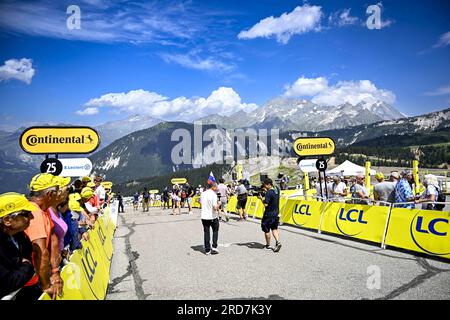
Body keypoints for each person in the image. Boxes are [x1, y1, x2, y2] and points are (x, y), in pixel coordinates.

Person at [22, 173, 64, 300]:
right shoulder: (35, 214)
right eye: (57, 191)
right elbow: (41, 252)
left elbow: (53, 239)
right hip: (32, 281)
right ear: (49, 195)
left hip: (38, 275)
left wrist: (55, 271)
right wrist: (46, 286)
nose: (60, 193)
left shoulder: (43, 211)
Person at [0, 193, 36, 299]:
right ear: (7, 220)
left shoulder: (19, 235)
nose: (32, 217)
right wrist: (27, 266)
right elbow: (7, 283)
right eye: (26, 214)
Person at [259, 178, 282, 252]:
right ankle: (278, 242)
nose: (264, 187)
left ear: (268, 184)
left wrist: (261, 199)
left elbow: (266, 204)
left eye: (265, 185)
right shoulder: (277, 190)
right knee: (274, 228)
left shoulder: (269, 192)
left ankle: (268, 245)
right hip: (276, 213)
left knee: (266, 230)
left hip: (268, 214)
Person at [199, 183, 220, 255]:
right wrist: (219, 204)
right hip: (212, 216)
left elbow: (200, 202)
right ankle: (214, 246)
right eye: (216, 187)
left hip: (204, 216)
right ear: (213, 187)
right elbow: (215, 207)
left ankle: (207, 249)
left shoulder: (203, 194)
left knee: (206, 232)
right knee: (215, 231)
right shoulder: (214, 195)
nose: (217, 188)